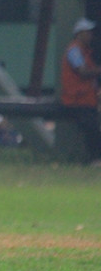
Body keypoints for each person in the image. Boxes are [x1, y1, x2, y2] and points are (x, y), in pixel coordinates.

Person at [59, 17, 101, 165]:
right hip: (77, 100)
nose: (91, 35)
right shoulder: (75, 51)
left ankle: (93, 159)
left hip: (86, 99)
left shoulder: (84, 52)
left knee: (93, 129)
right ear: (79, 33)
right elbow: (82, 72)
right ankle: (95, 159)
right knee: (92, 130)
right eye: (88, 32)